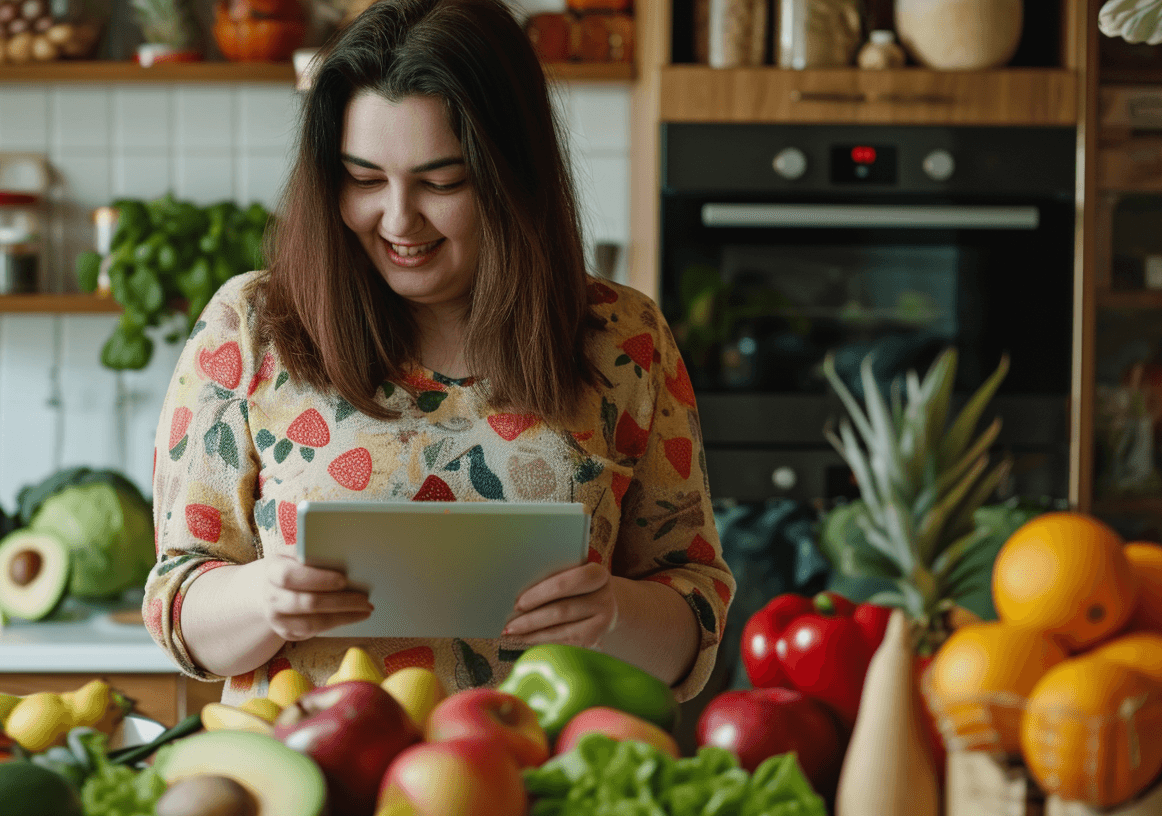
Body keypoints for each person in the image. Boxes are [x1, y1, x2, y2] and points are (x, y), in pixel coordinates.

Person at [143, 0, 735, 707]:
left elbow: (694, 607)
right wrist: (259, 600)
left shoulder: (626, 339)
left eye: (441, 180)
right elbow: (177, 600)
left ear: (510, 175)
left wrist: (613, 612)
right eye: (363, 178)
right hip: (315, 780)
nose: (397, 219)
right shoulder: (251, 326)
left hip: (539, 779)